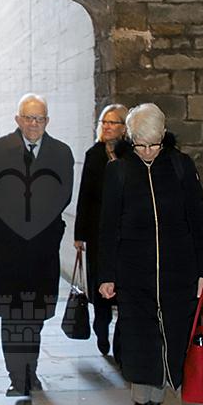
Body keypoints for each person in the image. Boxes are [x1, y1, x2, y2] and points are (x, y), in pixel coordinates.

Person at [98, 103, 203, 405]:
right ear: (131, 139)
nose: (148, 152)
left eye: (154, 144)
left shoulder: (181, 166)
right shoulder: (118, 171)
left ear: (164, 136)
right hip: (133, 273)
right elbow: (108, 226)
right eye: (141, 145)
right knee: (141, 342)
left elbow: (198, 221)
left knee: (170, 340)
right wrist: (106, 275)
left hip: (178, 272)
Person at [0, 94, 74, 396]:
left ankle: (31, 369)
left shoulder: (60, 153)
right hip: (9, 248)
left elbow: (64, 194)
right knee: (12, 312)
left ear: (47, 121)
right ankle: (17, 376)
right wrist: (3, 222)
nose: (33, 124)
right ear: (18, 119)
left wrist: (41, 224)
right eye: (28, 118)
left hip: (43, 248)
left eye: (39, 118)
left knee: (36, 312)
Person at [75, 104, 128, 358]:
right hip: (98, 232)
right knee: (100, 282)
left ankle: (121, 340)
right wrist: (79, 234)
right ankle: (101, 325)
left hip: (124, 231)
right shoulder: (94, 154)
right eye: (104, 122)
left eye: (113, 122)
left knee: (123, 286)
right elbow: (85, 194)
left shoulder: (131, 154)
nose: (107, 126)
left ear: (124, 127)